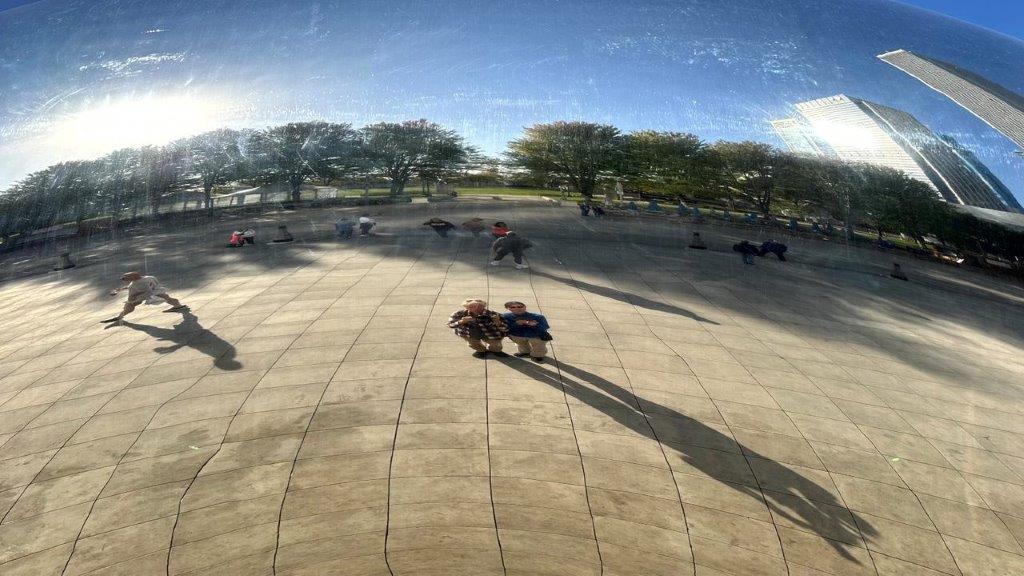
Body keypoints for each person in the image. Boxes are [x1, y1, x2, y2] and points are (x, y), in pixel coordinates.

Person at [104, 272, 186, 325]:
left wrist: (135, 299)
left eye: (127, 277)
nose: (124, 279)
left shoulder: (138, 283)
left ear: (133, 277)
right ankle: (178, 306)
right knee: (166, 297)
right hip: (156, 290)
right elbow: (132, 286)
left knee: (130, 307)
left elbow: (144, 291)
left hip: (145, 295)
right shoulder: (148, 277)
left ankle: (119, 317)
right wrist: (119, 289)